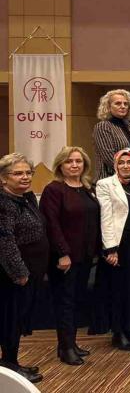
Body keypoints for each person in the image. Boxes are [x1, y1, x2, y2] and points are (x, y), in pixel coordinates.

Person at [40, 147, 99, 365]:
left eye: (78, 161)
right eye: (69, 161)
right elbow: (51, 224)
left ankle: (71, 343)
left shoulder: (87, 187)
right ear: (60, 165)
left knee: (75, 301)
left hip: (85, 256)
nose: (74, 165)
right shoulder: (53, 190)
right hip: (64, 258)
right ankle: (65, 348)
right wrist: (63, 253)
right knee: (64, 303)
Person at [96, 148, 130, 352]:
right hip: (120, 244)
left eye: (129, 162)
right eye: (121, 162)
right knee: (119, 288)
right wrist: (110, 249)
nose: (126, 166)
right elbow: (106, 217)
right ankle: (118, 333)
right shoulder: (105, 184)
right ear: (115, 165)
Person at [0, 154, 47, 384]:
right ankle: (9, 366)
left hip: (31, 269)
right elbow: (5, 241)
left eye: (28, 172)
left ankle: (12, 363)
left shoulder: (26, 198)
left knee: (18, 320)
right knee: (10, 320)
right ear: (3, 178)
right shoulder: (3, 203)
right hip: (12, 274)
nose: (25, 177)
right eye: (18, 173)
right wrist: (19, 273)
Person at [93, 88, 130, 181]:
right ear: (108, 107)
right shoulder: (103, 126)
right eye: (118, 103)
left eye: (126, 104)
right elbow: (109, 157)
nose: (123, 106)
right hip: (109, 179)